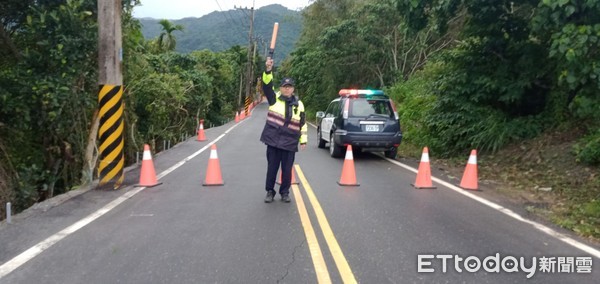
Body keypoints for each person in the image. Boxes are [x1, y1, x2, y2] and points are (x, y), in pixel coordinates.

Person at [260, 57, 307, 203]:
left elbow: (303, 123)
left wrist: (303, 140)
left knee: (287, 170)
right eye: (285, 86)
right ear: (280, 88)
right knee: (272, 169)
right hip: (273, 141)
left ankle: (285, 192)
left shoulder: (299, 104)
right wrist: (268, 70)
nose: (287, 88)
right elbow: (267, 85)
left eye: (290, 86)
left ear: (293, 88)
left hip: (289, 142)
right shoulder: (274, 99)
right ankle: (269, 191)